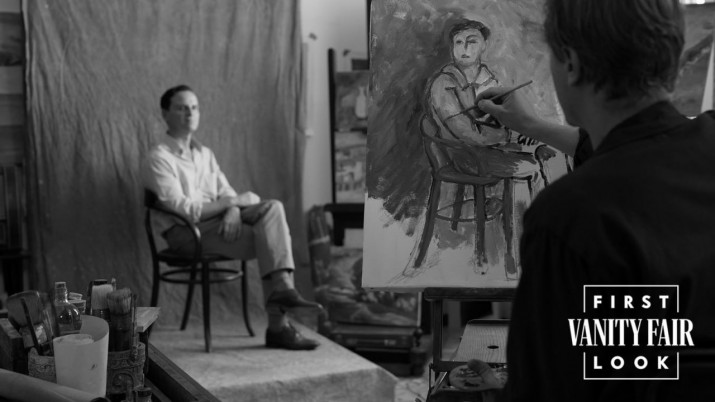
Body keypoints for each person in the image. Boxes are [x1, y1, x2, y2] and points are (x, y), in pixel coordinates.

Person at [474, 0, 715, 400]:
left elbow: (546, 391)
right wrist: (530, 125)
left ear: (570, 64)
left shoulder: (569, 217)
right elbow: (640, 147)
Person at [143, 85, 322, 350]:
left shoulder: (205, 154)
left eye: (194, 107)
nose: (189, 113)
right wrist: (231, 203)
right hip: (186, 234)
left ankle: (283, 289)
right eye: (181, 108)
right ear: (165, 114)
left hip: (214, 226)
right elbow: (184, 210)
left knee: (272, 209)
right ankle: (279, 326)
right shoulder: (158, 158)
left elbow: (227, 191)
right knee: (270, 239)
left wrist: (233, 210)